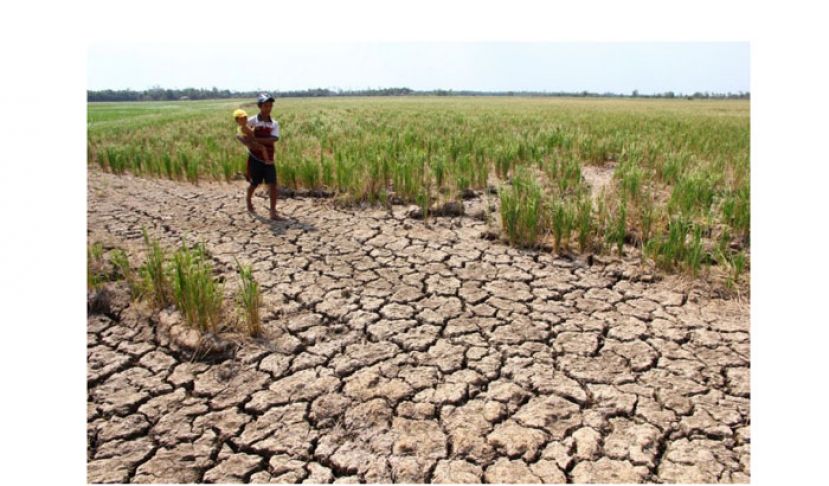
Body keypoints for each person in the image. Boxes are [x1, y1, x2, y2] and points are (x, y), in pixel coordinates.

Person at [235, 94, 281, 220]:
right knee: (254, 183)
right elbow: (239, 134)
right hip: (255, 158)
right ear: (260, 106)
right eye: (266, 105)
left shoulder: (274, 124)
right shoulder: (252, 121)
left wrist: (256, 138)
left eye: (270, 105)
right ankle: (249, 201)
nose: (268, 108)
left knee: (273, 184)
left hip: (269, 158)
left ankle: (273, 212)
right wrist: (248, 143)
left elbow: (274, 138)